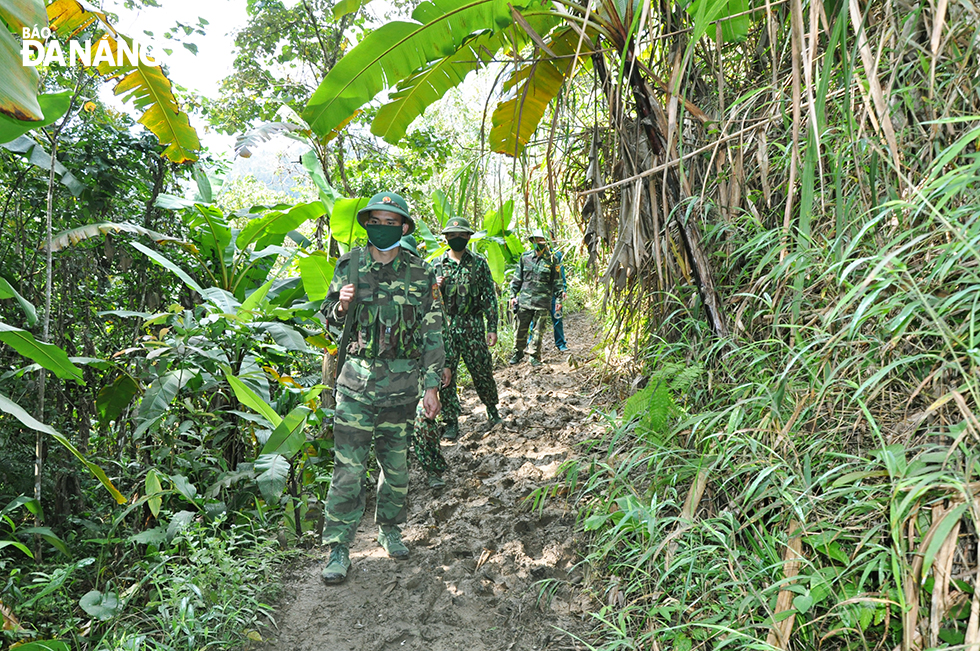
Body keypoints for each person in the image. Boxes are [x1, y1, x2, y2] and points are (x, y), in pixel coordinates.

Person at [319, 192, 446, 585]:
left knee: (396, 469)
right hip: (355, 387)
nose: (383, 228)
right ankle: (339, 546)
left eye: (392, 223)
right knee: (348, 471)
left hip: (402, 388)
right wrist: (340, 307)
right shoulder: (350, 265)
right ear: (366, 223)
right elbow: (328, 322)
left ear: (404, 228)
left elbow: (433, 333)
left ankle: (389, 528)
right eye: (377, 220)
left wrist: (431, 387)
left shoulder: (422, 274)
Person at [433, 216, 502, 441]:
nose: (457, 239)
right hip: (447, 329)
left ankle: (492, 411)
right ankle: (451, 421)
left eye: (461, 235)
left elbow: (489, 297)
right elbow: (427, 302)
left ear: (468, 237)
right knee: (445, 376)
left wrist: (492, 327)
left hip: (472, 325)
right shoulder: (437, 266)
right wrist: (436, 288)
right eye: (452, 236)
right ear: (446, 239)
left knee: (482, 371)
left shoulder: (479, 264)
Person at [401, 235, 453, 490]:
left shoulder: (425, 285)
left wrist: (445, 364)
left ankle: (433, 469)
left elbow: (437, 330)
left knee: (424, 420)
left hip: (420, 367)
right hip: (387, 373)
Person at [509, 229, 562, 367]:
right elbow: (517, 278)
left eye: (541, 240)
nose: (538, 242)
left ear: (546, 242)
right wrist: (513, 296)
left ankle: (534, 356)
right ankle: (518, 352)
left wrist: (558, 300)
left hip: (542, 302)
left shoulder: (552, 259)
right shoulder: (525, 257)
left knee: (538, 332)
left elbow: (557, 282)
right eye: (536, 240)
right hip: (524, 301)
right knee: (520, 329)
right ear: (532, 241)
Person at [528, 245, 569, 351]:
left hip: (553, 292)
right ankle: (531, 343)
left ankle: (560, 344)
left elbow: (561, 274)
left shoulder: (556, 256)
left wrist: (563, 289)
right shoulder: (533, 256)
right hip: (539, 294)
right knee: (534, 319)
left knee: (557, 317)